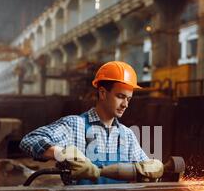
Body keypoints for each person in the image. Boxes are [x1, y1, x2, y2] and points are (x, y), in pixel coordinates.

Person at [19, 61, 163, 184]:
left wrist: (153, 170)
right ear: (102, 93)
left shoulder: (127, 135)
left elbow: (146, 172)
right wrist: (61, 153)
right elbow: (29, 140)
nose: (125, 104)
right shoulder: (75, 126)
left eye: (128, 99)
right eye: (120, 96)